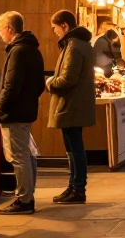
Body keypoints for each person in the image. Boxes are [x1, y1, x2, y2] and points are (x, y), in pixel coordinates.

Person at [0, 11, 45, 215]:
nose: (0, 35)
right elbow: (39, 85)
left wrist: (0, 109)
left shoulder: (18, 51)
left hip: (14, 113)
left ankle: (24, 199)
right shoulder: (32, 49)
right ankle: (28, 194)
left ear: (9, 29)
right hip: (26, 110)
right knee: (27, 154)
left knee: (18, 156)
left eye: (0, 30)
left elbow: (10, 86)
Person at [47, 11, 95, 203]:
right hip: (75, 104)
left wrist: (50, 82)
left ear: (65, 25)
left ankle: (77, 187)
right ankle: (74, 185)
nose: (54, 31)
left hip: (71, 104)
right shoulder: (78, 44)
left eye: (55, 27)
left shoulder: (73, 46)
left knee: (74, 147)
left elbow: (68, 78)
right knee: (73, 147)